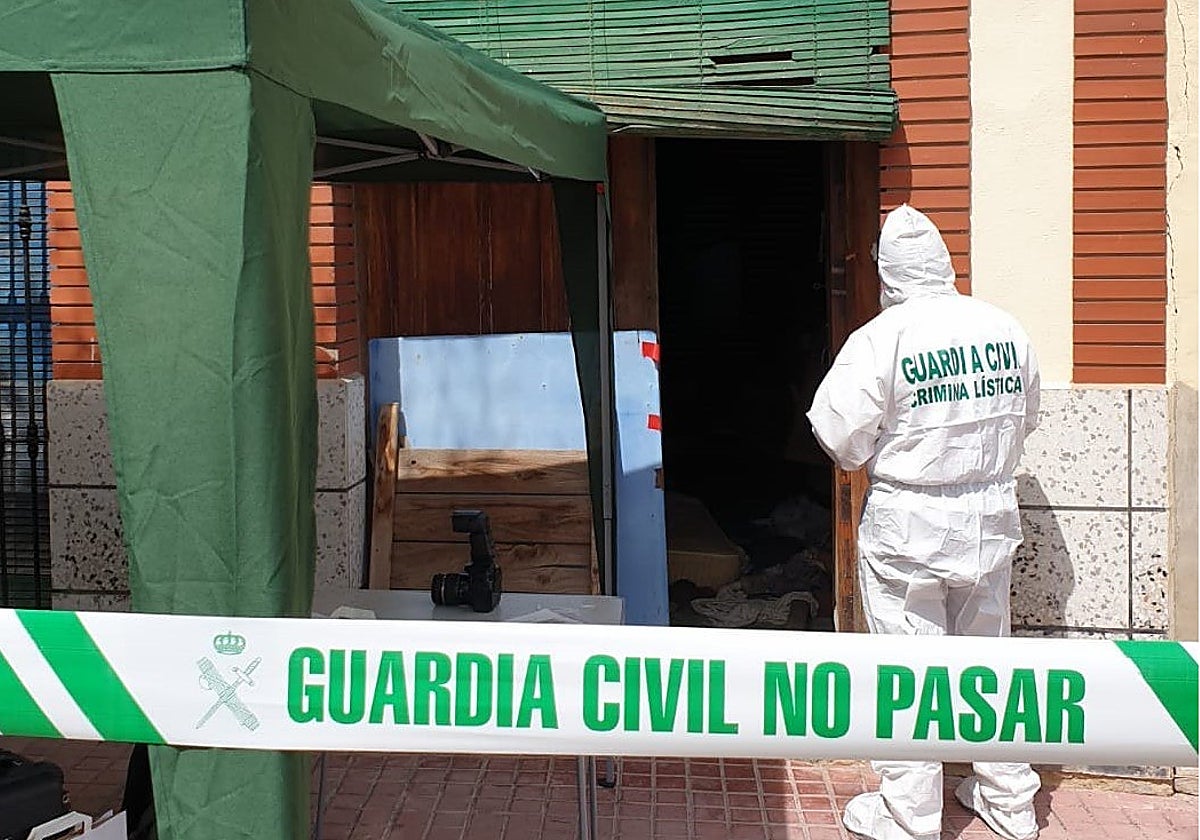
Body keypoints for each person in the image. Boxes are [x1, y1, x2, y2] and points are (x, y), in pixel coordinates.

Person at [806, 204, 1042, 840]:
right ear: (944, 263)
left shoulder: (882, 338)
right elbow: (1028, 417)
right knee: (990, 663)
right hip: (990, 515)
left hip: (908, 524)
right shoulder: (1003, 327)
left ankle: (909, 815)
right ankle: (1010, 803)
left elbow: (839, 437)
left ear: (888, 275)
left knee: (907, 669)